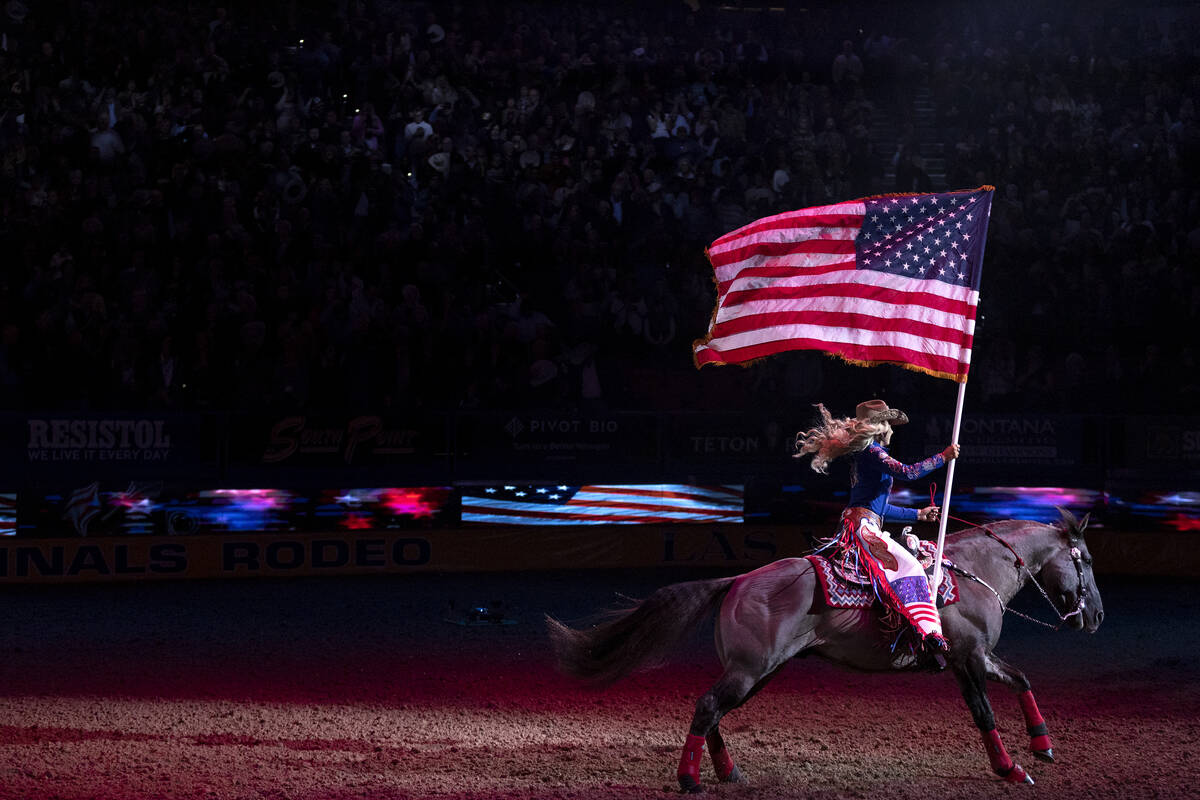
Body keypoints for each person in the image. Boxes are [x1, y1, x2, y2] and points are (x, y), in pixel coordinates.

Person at [795, 399, 959, 663]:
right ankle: (929, 635)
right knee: (911, 568)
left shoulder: (867, 455)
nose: (893, 430)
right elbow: (909, 472)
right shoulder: (873, 453)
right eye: (890, 425)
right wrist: (943, 457)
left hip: (864, 521)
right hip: (863, 527)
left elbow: (878, 509)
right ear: (881, 427)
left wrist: (917, 514)